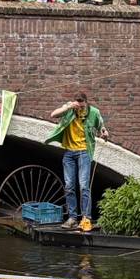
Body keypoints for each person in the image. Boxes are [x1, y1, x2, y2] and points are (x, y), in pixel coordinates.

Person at [47, 93, 108, 232]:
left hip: (84, 152)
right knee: (69, 186)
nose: (79, 108)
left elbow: (101, 127)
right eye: (77, 105)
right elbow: (53, 114)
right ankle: (73, 218)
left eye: (82, 105)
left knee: (84, 186)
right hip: (69, 153)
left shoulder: (94, 112)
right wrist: (69, 107)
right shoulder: (69, 109)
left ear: (86, 103)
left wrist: (104, 133)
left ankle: (86, 218)